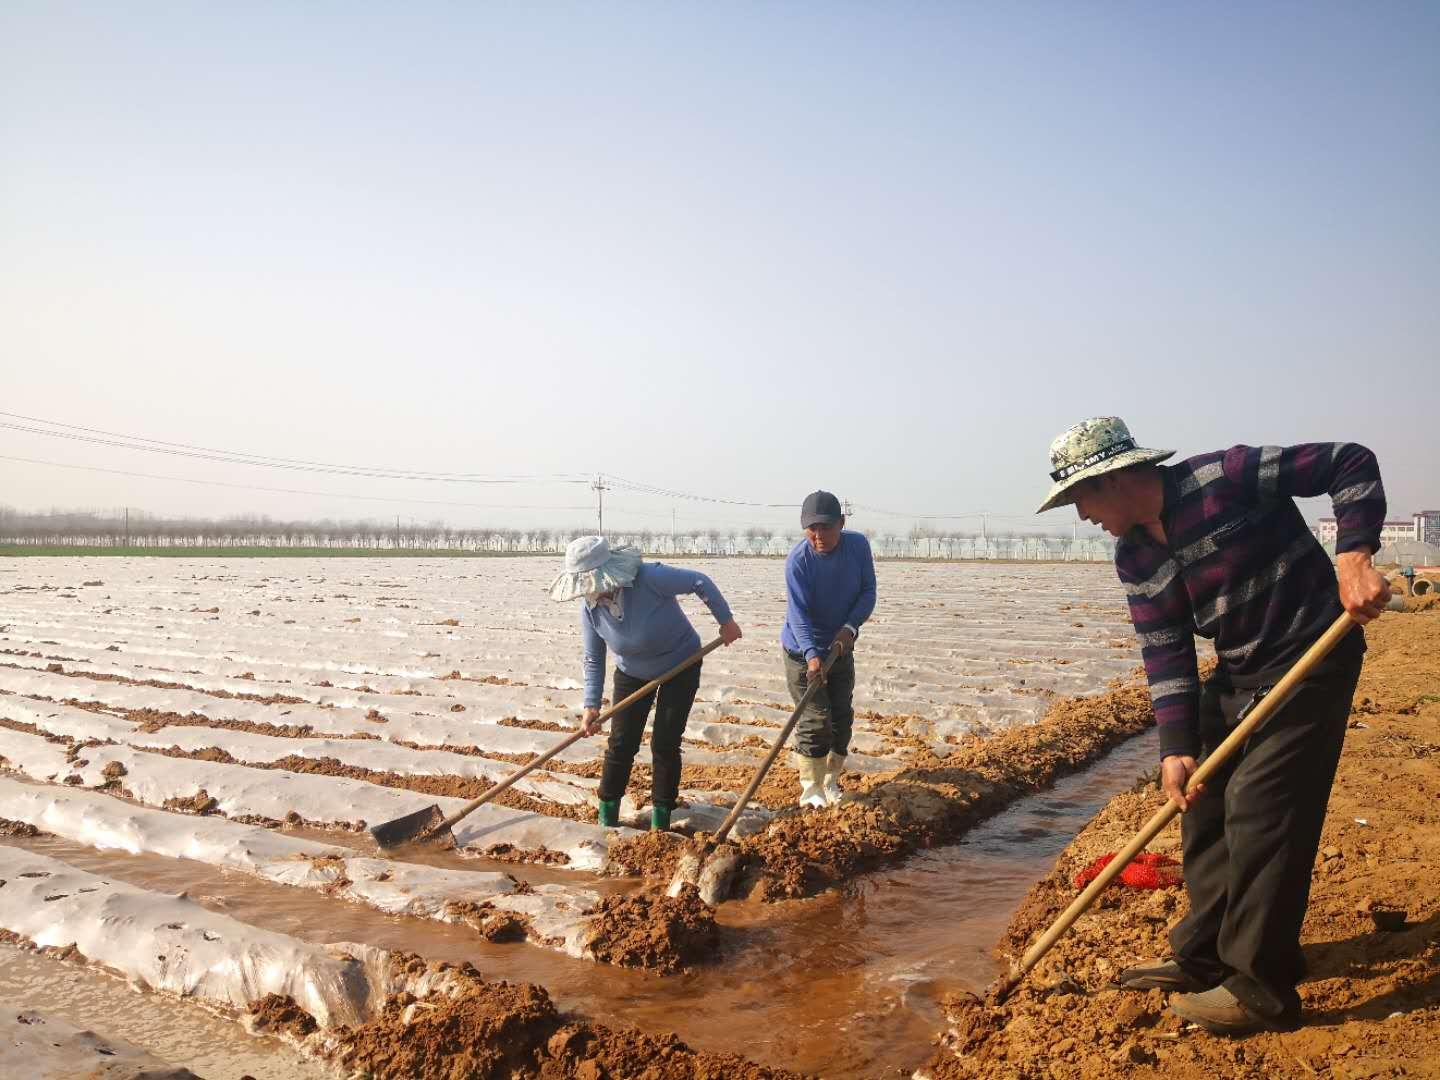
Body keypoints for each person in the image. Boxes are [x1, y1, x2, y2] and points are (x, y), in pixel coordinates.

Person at [1036, 416, 1390, 1035]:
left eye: (1081, 497)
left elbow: (1350, 461)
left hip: (1312, 654)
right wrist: (1176, 748)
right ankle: (1204, 957)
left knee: (1263, 810)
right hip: (1240, 666)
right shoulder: (1136, 555)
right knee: (1202, 807)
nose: (1082, 515)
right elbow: (1166, 648)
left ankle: (1261, 989)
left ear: (1116, 478)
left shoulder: (1227, 476)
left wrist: (1354, 556)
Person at [549, 535, 742, 830]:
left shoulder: (650, 577)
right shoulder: (591, 609)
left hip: (680, 664)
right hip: (631, 672)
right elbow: (593, 658)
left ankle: (661, 819)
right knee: (621, 743)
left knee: (665, 741)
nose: (592, 592)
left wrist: (725, 621)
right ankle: (607, 816)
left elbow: (699, 581)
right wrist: (591, 705)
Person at [781, 491, 877, 808]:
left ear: (842, 523)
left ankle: (831, 781)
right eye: (812, 528)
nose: (818, 536)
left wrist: (849, 628)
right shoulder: (798, 562)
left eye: (826, 527)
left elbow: (867, 592)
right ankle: (810, 792)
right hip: (801, 651)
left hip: (841, 645)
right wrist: (811, 655)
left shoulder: (858, 547)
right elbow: (798, 616)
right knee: (814, 720)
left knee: (840, 717)